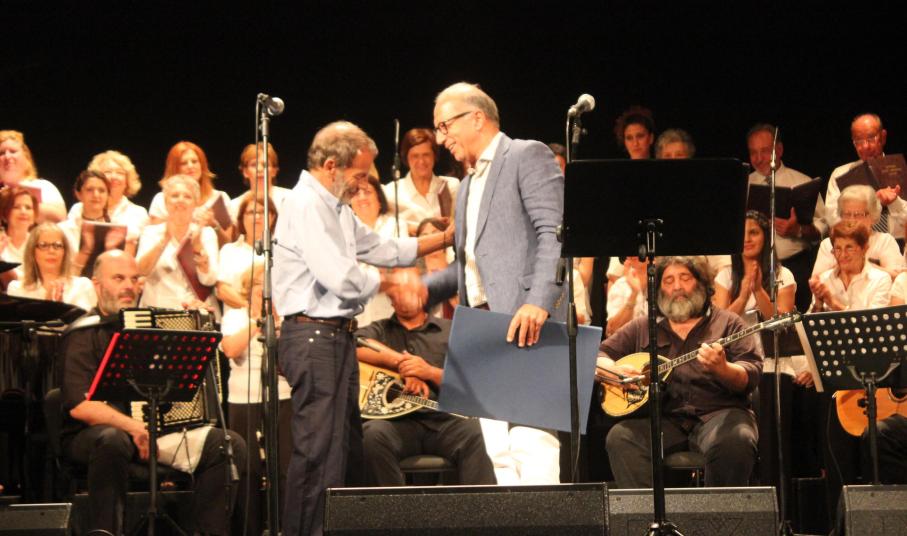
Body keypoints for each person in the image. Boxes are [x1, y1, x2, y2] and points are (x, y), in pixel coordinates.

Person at [272, 120, 453, 536]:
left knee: (345, 452)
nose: (363, 184)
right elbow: (340, 276)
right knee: (317, 453)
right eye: (358, 175)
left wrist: (444, 239)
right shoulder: (306, 204)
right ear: (330, 166)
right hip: (313, 337)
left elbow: (383, 248)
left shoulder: (336, 207)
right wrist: (393, 284)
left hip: (337, 337)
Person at [420, 82, 565, 485]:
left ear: (477, 118)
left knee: (532, 440)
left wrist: (538, 301)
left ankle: (548, 518)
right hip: (481, 326)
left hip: (526, 320)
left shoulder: (526, 154)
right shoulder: (467, 183)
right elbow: (470, 260)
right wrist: (425, 288)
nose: (441, 139)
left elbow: (556, 234)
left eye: (445, 126)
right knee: (496, 450)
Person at [59, 250, 247, 536]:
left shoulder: (154, 325)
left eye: (134, 279)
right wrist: (134, 426)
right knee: (112, 440)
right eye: (118, 278)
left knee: (227, 444)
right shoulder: (82, 333)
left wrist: (198, 322)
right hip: (95, 436)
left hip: (153, 433)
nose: (129, 286)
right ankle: (106, 531)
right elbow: (81, 405)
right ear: (97, 284)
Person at [599, 256, 762, 488]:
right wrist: (614, 371)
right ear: (659, 289)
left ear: (702, 283)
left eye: (685, 278)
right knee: (621, 437)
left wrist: (723, 369)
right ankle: (646, 511)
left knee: (737, 439)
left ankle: (719, 512)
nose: (677, 286)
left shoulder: (728, 323)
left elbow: (750, 373)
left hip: (719, 415)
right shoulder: (644, 327)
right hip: (664, 420)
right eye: (668, 281)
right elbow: (599, 356)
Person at [355, 271, 496, 486]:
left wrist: (429, 372)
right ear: (390, 299)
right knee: (372, 435)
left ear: (423, 293)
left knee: (472, 433)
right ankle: (392, 507)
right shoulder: (380, 330)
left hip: (442, 421)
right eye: (397, 292)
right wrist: (402, 365)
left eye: (408, 290)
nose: (402, 296)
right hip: (395, 424)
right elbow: (354, 343)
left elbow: (473, 382)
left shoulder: (450, 330)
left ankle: (481, 507)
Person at [220, 262, 291, 534]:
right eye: (260, 285)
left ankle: (285, 527)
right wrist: (258, 322)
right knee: (247, 470)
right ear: (249, 289)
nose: (265, 291)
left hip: (283, 397)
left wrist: (278, 325)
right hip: (243, 401)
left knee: (285, 467)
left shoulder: (288, 318)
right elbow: (230, 349)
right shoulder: (235, 317)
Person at [746, 123, 826, 311]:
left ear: (779, 150)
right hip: (755, 267)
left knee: (795, 322)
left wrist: (798, 230)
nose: (759, 158)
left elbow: (823, 229)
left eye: (765, 151)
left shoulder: (801, 181)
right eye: (753, 152)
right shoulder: (744, 185)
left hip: (795, 264)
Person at [136, 174, 220, 315]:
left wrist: (198, 248)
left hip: (195, 311)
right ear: (165, 201)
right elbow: (141, 271)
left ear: (196, 203)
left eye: (187, 196)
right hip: (156, 310)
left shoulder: (206, 234)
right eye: (175, 196)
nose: (180, 200)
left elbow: (209, 280)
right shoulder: (151, 232)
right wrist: (164, 240)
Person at [825, 114, 906, 243]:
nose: (865, 147)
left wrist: (894, 202)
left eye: (871, 138)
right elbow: (833, 220)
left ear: (883, 137)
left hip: (899, 245)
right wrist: (874, 204)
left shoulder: (900, 169)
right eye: (858, 141)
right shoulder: (840, 174)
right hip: (856, 244)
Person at [713, 211, 796, 321]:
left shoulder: (783, 275)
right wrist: (742, 298)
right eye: (741, 234)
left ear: (766, 237)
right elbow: (720, 324)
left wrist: (758, 290)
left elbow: (784, 323)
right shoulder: (725, 276)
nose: (746, 239)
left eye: (753, 233)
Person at [148, 141, 233, 245]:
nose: (190, 166)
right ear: (174, 168)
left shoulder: (219, 197)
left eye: (194, 161)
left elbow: (228, 244)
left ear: (202, 165)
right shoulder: (161, 200)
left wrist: (214, 225)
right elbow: (152, 240)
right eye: (184, 163)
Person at [811, 185, 904, 279]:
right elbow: (815, 281)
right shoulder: (828, 245)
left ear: (873, 216)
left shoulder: (884, 241)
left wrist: (863, 266)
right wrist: (842, 267)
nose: (852, 220)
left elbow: (898, 278)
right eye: (847, 214)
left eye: (858, 214)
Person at [352, 174, 407, 326]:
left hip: (389, 305)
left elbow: (399, 265)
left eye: (367, 192)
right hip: (357, 311)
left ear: (380, 200)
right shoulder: (343, 230)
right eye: (356, 193)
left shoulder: (396, 225)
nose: (362, 198)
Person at [383, 127, 460, 237]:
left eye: (426, 155)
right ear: (406, 158)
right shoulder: (391, 191)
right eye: (415, 156)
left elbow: (461, 223)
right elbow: (381, 227)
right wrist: (408, 228)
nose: (421, 161)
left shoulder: (451, 185)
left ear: (434, 156)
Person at [69, 150, 149, 252]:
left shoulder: (139, 213)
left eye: (120, 173)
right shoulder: (78, 209)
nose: (114, 177)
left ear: (127, 181)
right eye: (108, 172)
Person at [7, 222, 96, 311]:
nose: (51, 251)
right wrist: (48, 309)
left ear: (64, 252)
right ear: (32, 252)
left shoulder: (82, 286)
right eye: (43, 245)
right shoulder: (16, 289)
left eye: (57, 245)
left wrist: (62, 310)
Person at [216, 192, 277, 316]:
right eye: (251, 212)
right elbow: (222, 290)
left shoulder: (283, 252)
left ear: (272, 217)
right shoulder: (229, 251)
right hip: (238, 320)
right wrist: (249, 307)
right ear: (241, 218)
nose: (257, 217)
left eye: (262, 212)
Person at [60, 170, 129, 276]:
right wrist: (85, 251)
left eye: (101, 190)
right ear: (79, 194)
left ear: (108, 195)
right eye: (90, 190)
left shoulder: (117, 230)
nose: (96, 195)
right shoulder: (63, 230)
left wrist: (112, 248)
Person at [809, 223, 891, 312]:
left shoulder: (881, 280)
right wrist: (818, 305)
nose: (843, 255)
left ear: (864, 249)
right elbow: (812, 319)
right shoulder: (824, 279)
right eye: (838, 249)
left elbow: (874, 319)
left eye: (849, 248)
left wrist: (833, 304)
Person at [0, 130, 66, 222]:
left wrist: (16, 199)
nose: (7, 156)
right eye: (2, 153)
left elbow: (60, 217)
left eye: (13, 151)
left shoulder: (43, 186)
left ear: (26, 158)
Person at [228, 142, 292, 220]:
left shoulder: (290, 198)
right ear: (245, 172)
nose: (260, 169)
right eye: (253, 165)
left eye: (265, 165)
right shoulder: (235, 206)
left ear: (274, 171)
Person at [0, 186, 38, 265]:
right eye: (16, 207)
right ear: (5, 213)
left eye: (28, 208)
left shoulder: (40, 243)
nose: (23, 212)